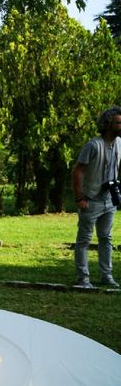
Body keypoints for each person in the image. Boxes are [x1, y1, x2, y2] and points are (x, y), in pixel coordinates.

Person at [72, 106, 121, 289]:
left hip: (109, 199)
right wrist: (79, 198)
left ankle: (107, 276)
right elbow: (77, 172)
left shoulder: (119, 143)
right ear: (108, 124)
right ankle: (83, 279)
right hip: (90, 200)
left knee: (106, 239)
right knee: (84, 240)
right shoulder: (93, 146)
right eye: (118, 122)